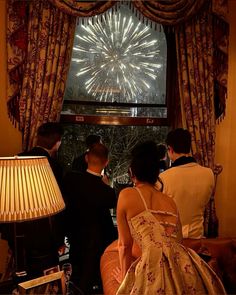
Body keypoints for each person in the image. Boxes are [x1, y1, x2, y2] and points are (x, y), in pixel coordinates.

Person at [113, 140, 226, 294]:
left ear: (132, 172)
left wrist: (126, 279)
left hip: (152, 265)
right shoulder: (170, 202)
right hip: (185, 264)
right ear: (156, 173)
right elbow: (178, 242)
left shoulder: (127, 195)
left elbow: (124, 246)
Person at [63, 142, 117, 294]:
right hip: (100, 242)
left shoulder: (70, 180)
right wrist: (106, 185)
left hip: (76, 237)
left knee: (76, 280)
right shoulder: (107, 192)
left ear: (87, 158)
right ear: (107, 161)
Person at [17, 122, 65, 278]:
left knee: (23, 270)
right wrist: (59, 239)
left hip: (19, 228)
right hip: (44, 231)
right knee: (45, 274)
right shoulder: (53, 166)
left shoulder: (18, 158)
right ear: (57, 142)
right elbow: (57, 206)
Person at [158, 128, 215, 239]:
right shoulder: (209, 174)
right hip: (197, 238)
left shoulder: (163, 178)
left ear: (170, 149)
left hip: (172, 240)